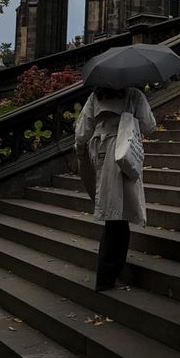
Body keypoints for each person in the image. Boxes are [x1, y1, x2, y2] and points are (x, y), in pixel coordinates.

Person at [74, 86, 156, 291]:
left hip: (100, 150)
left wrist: (81, 152)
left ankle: (108, 273)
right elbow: (149, 126)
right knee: (117, 216)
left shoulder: (96, 95)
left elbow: (82, 131)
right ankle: (106, 276)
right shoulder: (134, 94)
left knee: (115, 213)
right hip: (124, 151)